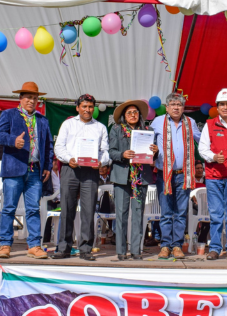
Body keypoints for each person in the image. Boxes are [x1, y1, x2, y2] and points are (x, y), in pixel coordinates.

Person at [0, 82, 53, 260]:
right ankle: (5, 244)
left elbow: (49, 146)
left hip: (35, 170)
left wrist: (48, 167)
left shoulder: (42, 120)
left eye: (35, 98)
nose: (32, 101)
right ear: (20, 98)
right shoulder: (9, 114)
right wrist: (13, 141)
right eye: (28, 97)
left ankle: (34, 245)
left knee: (33, 209)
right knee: (9, 208)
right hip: (13, 169)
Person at [52, 94, 110, 261]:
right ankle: (63, 248)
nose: (87, 109)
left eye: (90, 107)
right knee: (67, 209)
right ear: (77, 107)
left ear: (94, 108)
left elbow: (105, 151)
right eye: (84, 106)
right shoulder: (68, 124)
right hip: (70, 169)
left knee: (88, 210)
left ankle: (85, 249)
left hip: (90, 171)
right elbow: (59, 147)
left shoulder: (100, 127)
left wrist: (100, 161)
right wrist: (67, 159)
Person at [150, 93, 201, 260]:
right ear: (167, 106)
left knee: (180, 212)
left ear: (183, 107)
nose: (176, 107)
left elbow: (203, 140)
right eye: (172, 104)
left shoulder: (191, 122)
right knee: (166, 212)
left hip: (183, 174)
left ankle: (177, 245)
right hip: (164, 174)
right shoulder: (157, 122)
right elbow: (148, 142)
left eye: (179, 104)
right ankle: (165, 245)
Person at [198, 88, 227, 261]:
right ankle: (215, 248)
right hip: (213, 176)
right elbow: (202, 148)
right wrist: (213, 157)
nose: (225, 107)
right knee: (216, 215)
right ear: (217, 107)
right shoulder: (209, 124)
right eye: (222, 104)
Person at [109, 100, 159, 261]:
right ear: (124, 115)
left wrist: (155, 151)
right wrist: (123, 155)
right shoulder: (116, 129)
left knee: (138, 214)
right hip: (122, 176)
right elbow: (111, 152)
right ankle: (121, 251)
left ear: (140, 115)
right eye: (129, 112)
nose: (132, 115)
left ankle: (136, 250)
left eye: (135, 112)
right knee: (121, 215)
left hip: (141, 177)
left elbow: (153, 155)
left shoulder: (148, 130)